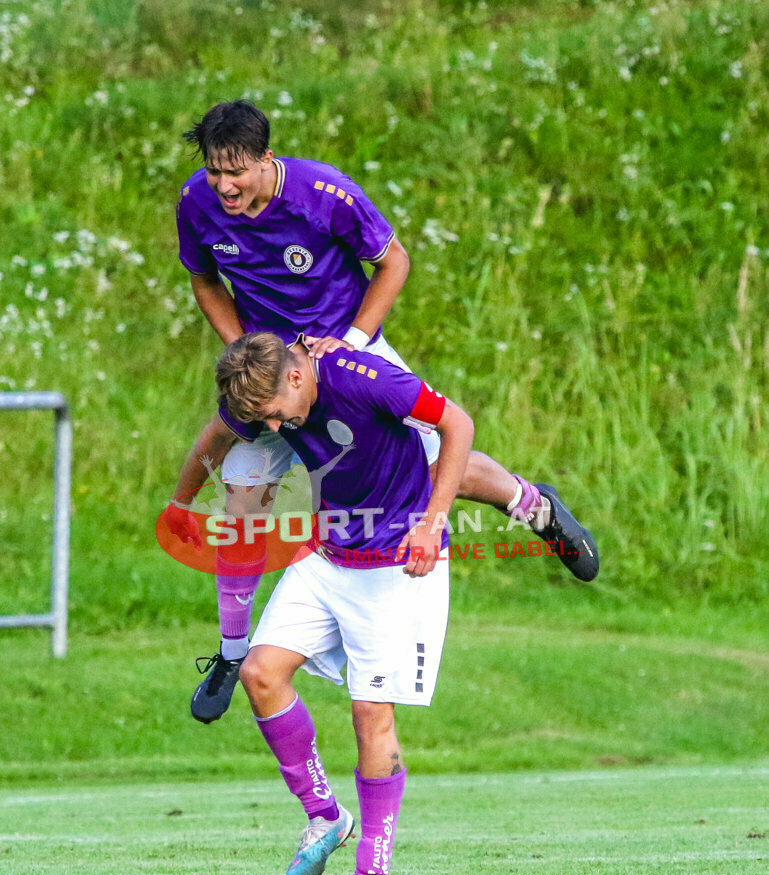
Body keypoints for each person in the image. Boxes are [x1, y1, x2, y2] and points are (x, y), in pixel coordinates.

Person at [172, 99, 598, 727]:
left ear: (266, 159)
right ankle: (233, 654)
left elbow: (394, 261)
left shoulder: (324, 193)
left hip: (349, 349)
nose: (225, 186)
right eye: (215, 172)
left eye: (236, 172)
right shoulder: (197, 202)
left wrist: (352, 340)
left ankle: (536, 507)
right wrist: (245, 354)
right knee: (240, 499)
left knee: (437, 465)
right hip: (272, 373)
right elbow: (205, 280)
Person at [167, 331, 596, 875]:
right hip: (328, 555)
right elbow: (220, 435)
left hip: (397, 566)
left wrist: (431, 523)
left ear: (296, 377)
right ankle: (325, 816)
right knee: (260, 673)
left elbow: (458, 424)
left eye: (272, 415)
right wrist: (182, 500)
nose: (271, 428)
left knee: (371, 714)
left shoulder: (364, 379)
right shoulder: (270, 387)